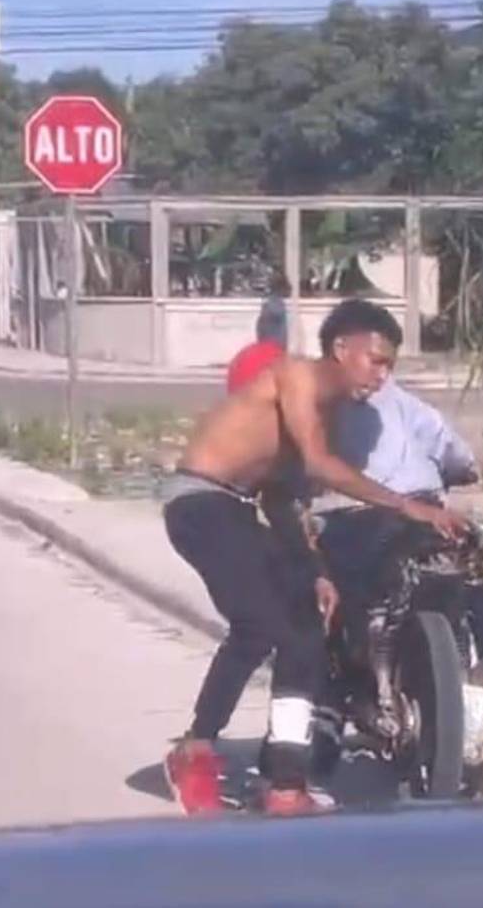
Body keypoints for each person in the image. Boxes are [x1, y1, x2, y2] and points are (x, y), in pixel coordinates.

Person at [162, 298, 466, 817]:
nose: (382, 376)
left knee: (304, 630)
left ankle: (284, 782)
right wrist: (406, 505)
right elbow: (319, 465)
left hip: (236, 509)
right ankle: (196, 751)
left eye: (391, 365)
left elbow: (281, 497)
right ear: (341, 349)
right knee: (262, 626)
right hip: (200, 502)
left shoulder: (323, 413)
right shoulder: (297, 376)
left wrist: (317, 572)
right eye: (376, 360)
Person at [315, 378, 483, 749]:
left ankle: (330, 706)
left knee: (339, 598)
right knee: (474, 584)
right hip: (423, 513)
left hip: (349, 517)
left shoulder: (317, 405)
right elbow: (459, 459)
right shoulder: (407, 406)